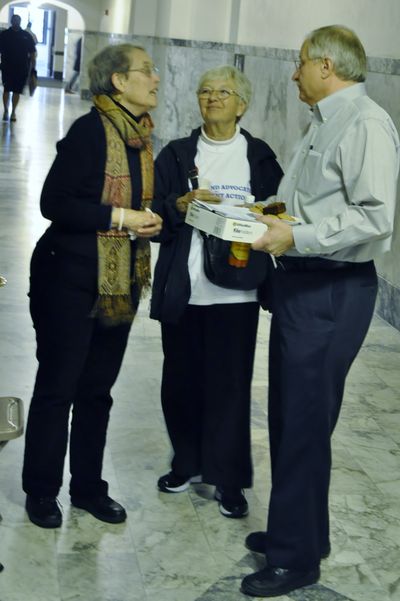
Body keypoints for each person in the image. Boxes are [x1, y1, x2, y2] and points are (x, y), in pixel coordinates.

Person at [241, 25, 399, 598]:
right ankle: (302, 531)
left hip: (331, 291)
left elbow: (375, 218)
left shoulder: (365, 125)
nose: (293, 74)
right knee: (290, 417)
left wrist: (296, 238)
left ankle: (295, 559)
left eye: (299, 64)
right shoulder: (326, 123)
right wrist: (270, 215)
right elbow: (314, 204)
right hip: (302, 287)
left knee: (305, 423)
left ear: (326, 66)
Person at [22, 43, 162, 529]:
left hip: (120, 281)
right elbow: (53, 203)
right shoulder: (89, 131)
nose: (156, 78)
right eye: (147, 71)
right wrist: (123, 216)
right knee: (58, 387)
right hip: (69, 276)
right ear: (119, 82)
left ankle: (87, 488)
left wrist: (163, 214)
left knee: (98, 390)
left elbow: (150, 205)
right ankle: (41, 491)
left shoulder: (142, 139)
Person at [150, 65, 283, 518]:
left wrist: (260, 210)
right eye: (205, 91)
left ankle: (227, 478)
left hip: (237, 291)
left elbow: (282, 209)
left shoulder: (259, 156)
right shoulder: (177, 153)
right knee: (180, 382)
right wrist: (179, 204)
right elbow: (154, 216)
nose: (212, 99)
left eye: (223, 92)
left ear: (241, 103)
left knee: (229, 386)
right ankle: (185, 461)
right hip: (185, 287)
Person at [0, 14, 36, 121]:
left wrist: (33, 68)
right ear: (11, 21)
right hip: (7, 67)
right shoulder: (4, 35)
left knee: (16, 91)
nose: (16, 22)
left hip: (21, 68)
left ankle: (13, 112)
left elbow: (32, 53)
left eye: (18, 20)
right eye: (14, 20)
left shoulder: (26, 35)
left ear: (20, 22)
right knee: (7, 89)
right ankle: (6, 110)